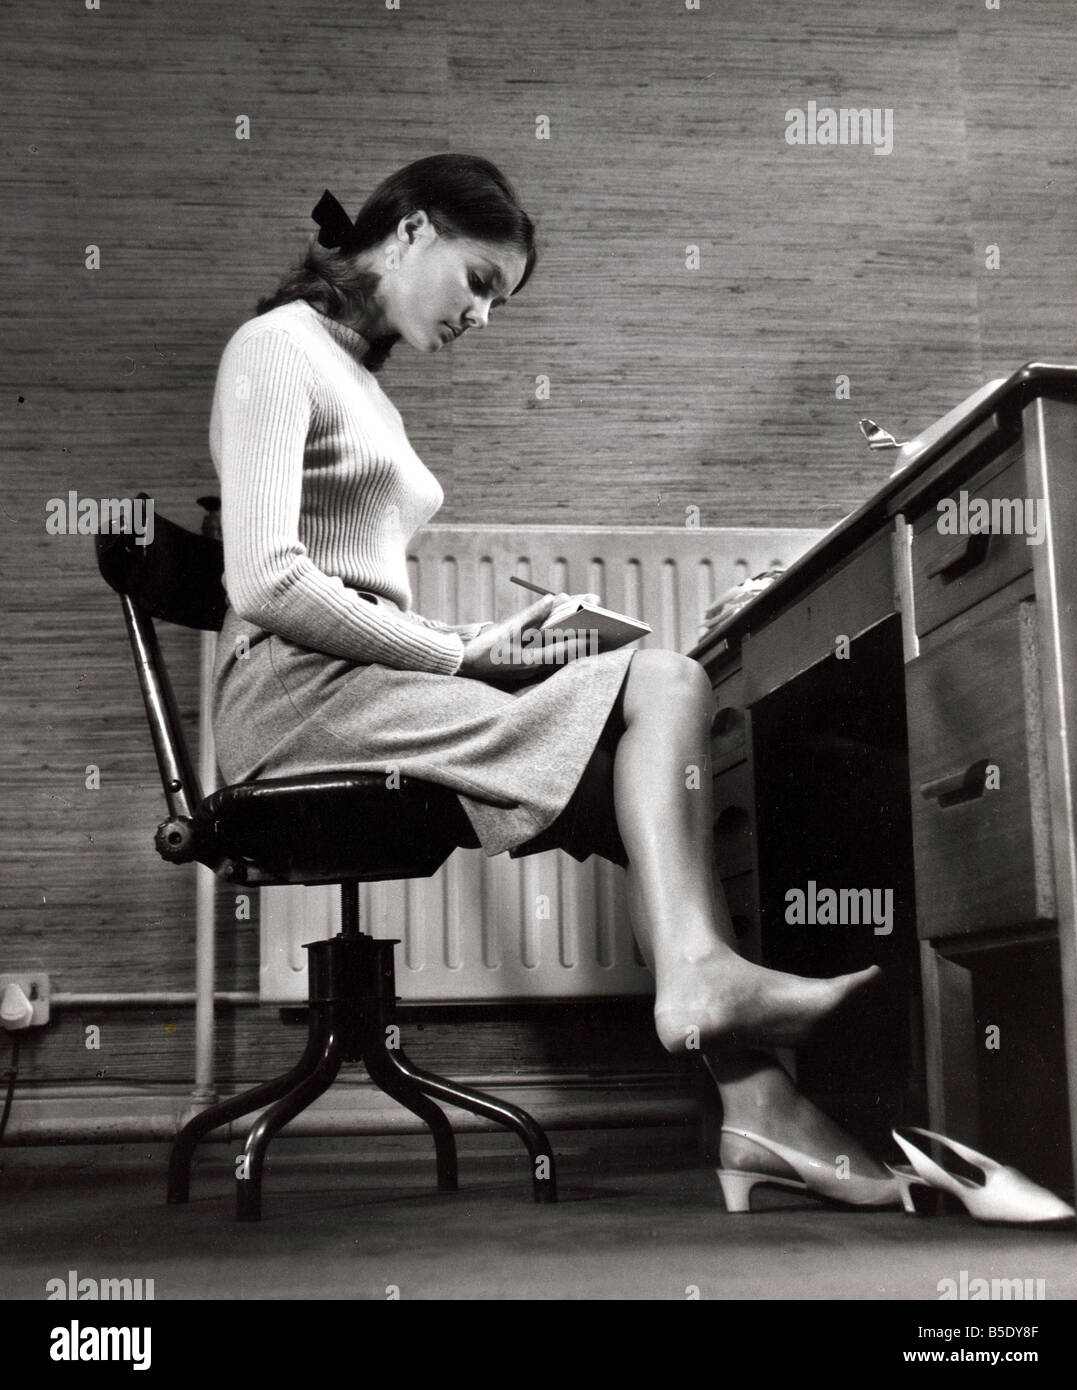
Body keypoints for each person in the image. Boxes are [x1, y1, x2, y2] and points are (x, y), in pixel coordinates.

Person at [208, 153, 888, 1205]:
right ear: (411, 229)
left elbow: (358, 595)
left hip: (356, 687)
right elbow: (265, 581)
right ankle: (722, 1028)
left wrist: (484, 639)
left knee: (645, 771)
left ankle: (757, 1106)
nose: (482, 316)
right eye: (480, 282)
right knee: (662, 683)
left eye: (498, 302)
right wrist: (460, 657)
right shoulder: (275, 348)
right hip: (294, 705)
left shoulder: (356, 377)